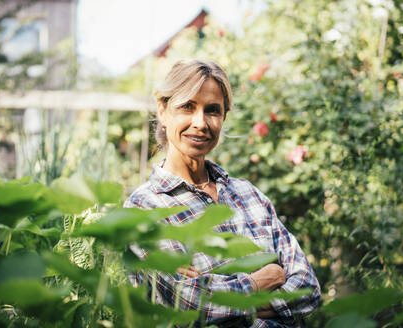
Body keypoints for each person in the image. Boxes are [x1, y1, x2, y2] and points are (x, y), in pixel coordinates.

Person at [123, 59, 321, 327]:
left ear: (224, 117)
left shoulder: (248, 195)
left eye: (212, 110)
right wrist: (264, 280)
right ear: (163, 109)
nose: (200, 122)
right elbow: (189, 305)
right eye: (187, 107)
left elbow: (308, 287)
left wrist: (220, 294)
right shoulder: (143, 209)